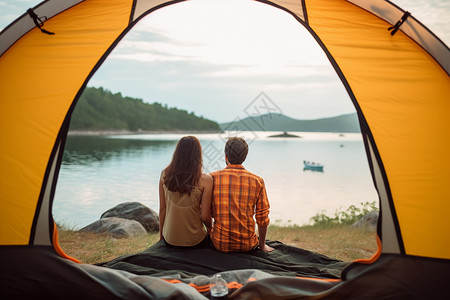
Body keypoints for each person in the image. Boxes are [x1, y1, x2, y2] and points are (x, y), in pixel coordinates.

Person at [210, 137, 274, 253]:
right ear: (244, 157)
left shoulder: (212, 178)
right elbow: (262, 218)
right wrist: (262, 245)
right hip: (247, 244)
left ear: (226, 156)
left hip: (219, 243)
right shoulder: (257, 181)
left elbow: (204, 212)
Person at [159, 136, 213, 247]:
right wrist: (210, 229)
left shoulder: (164, 174)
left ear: (177, 154)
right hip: (195, 241)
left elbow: (162, 209)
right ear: (198, 156)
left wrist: (161, 236)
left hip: (169, 239)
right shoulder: (206, 180)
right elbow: (205, 217)